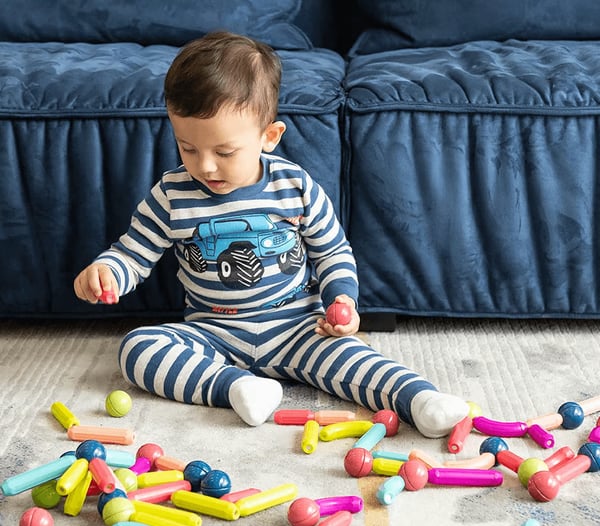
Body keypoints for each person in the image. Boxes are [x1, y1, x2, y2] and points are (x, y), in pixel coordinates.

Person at [74, 31, 469, 436]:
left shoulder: (294, 186)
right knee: (137, 349)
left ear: (269, 137)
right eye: (188, 148)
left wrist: (342, 300)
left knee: (356, 358)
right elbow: (133, 252)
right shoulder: (172, 195)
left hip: (299, 326)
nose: (206, 166)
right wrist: (109, 271)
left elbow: (332, 251)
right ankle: (236, 388)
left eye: (224, 152)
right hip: (213, 333)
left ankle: (420, 399)